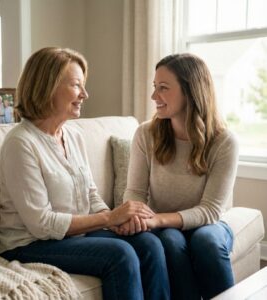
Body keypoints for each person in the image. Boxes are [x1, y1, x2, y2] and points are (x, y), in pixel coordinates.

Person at [0, 47, 170, 300]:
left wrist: (116, 222)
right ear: (47, 87)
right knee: (120, 255)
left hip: (74, 235)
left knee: (149, 243)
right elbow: (42, 224)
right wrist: (109, 218)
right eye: (77, 85)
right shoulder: (20, 143)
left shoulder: (73, 135)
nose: (85, 94)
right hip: (28, 244)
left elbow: (90, 194)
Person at [118, 53, 239, 300]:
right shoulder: (145, 134)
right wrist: (135, 216)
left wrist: (157, 220)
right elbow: (135, 193)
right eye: (154, 87)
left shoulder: (224, 141)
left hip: (208, 225)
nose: (154, 97)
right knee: (172, 242)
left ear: (191, 91)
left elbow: (210, 211)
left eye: (163, 88)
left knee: (206, 241)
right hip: (165, 228)